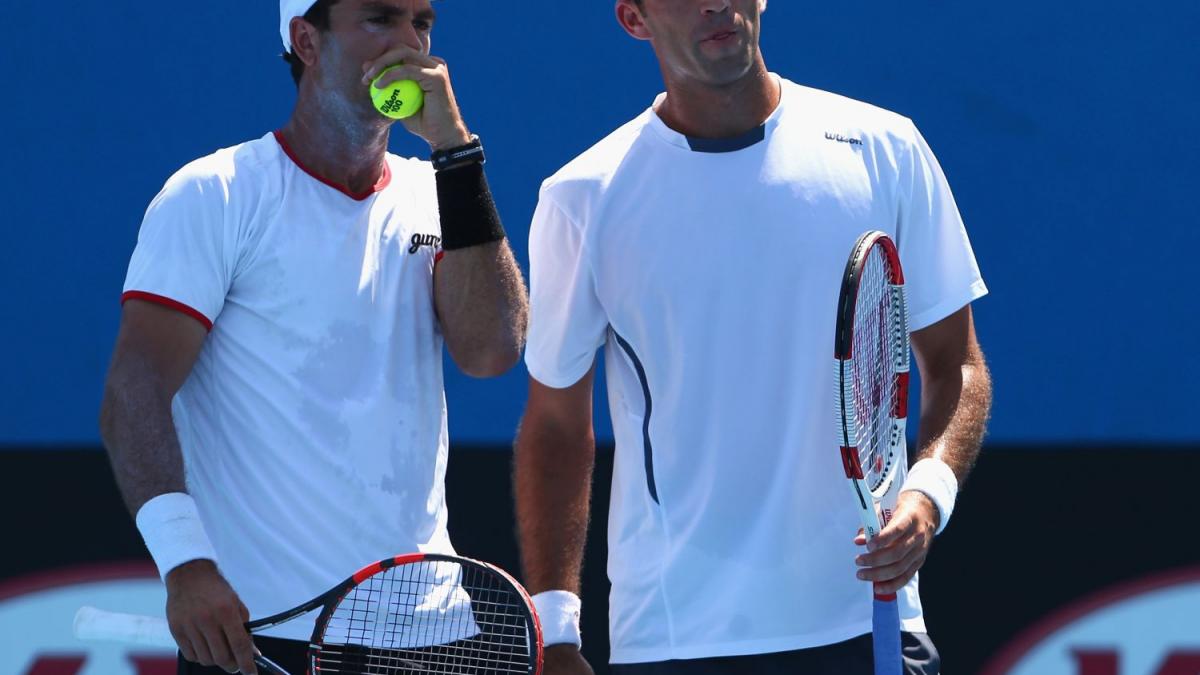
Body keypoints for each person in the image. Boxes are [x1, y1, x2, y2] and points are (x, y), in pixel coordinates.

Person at [513, 0, 992, 673]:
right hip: (677, 637)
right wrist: (557, 627)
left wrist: (927, 493)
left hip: (867, 621)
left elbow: (957, 365)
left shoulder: (886, 149)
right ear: (634, 19)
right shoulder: (582, 196)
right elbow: (558, 424)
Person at [98, 1, 528, 673]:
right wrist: (184, 561)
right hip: (257, 632)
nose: (410, 44)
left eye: (422, 23)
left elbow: (492, 350)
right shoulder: (215, 194)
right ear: (306, 39)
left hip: (430, 632)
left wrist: (455, 152)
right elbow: (135, 391)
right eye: (381, 19)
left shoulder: (437, 192)